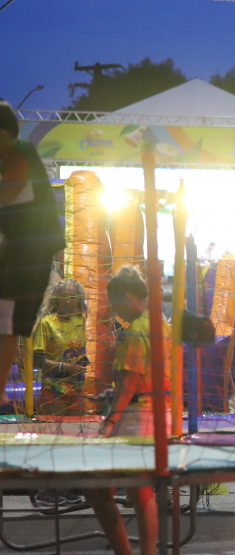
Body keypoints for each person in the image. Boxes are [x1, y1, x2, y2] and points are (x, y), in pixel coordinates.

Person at [85, 265, 171, 555]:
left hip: (137, 419)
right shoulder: (162, 323)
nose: (114, 310)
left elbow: (130, 383)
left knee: (102, 490)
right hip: (157, 414)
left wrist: (109, 422)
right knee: (138, 491)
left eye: (115, 302)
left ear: (130, 297)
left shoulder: (137, 330)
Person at [0, 99, 66, 405]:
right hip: (22, 249)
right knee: (6, 322)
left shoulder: (22, 152)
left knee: (7, 321)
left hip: (31, 252)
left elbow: (10, 191)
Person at [33, 279, 88, 417]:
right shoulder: (47, 323)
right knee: (54, 435)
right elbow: (37, 360)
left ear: (78, 300)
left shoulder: (79, 320)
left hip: (76, 386)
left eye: (72, 297)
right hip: (53, 386)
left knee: (77, 434)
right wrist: (65, 367)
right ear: (56, 299)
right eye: (64, 296)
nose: (68, 301)